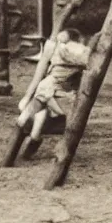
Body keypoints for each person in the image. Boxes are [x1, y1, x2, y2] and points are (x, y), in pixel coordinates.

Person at [19, 28, 94, 157]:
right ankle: (34, 136)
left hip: (58, 94)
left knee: (41, 101)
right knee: (42, 110)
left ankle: (33, 131)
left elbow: (77, 54)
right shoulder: (73, 51)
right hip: (58, 95)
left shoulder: (65, 49)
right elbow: (85, 57)